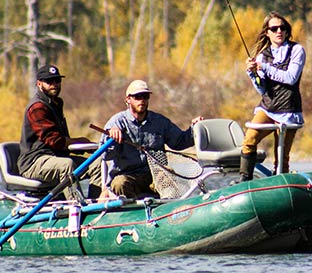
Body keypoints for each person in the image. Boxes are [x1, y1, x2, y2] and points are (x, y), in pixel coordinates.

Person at [102, 80, 203, 198]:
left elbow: (180, 142)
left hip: (155, 176)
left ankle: (168, 210)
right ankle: (132, 212)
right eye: (137, 97)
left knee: (168, 178)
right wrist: (112, 137)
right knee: (120, 183)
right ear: (128, 100)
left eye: (145, 96)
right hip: (127, 176)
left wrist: (194, 129)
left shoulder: (160, 122)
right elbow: (105, 155)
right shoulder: (116, 122)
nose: (142, 100)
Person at [18, 64, 103, 198]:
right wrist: (81, 142)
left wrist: (86, 147)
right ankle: (76, 206)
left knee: (97, 163)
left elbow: (62, 142)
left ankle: (96, 206)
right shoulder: (37, 107)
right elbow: (55, 140)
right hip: (34, 162)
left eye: (57, 80)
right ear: (39, 84)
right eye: (49, 81)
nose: (55, 84)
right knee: (66, 165)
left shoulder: (56, 103)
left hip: (57, 157)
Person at [240, 11, 306, 181]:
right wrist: (252, 73)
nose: (279, 31)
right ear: (267, 33)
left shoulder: (297, 50)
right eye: (274, 28)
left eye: (282, 28)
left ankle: (281, 186)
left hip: (289, 109)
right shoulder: (263, 55)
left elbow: (291, 78)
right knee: (249, 140)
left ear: (287, 31)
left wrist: (265, 67)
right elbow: (263, 89)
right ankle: (244, 181)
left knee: (282, 158)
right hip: (268, 108)